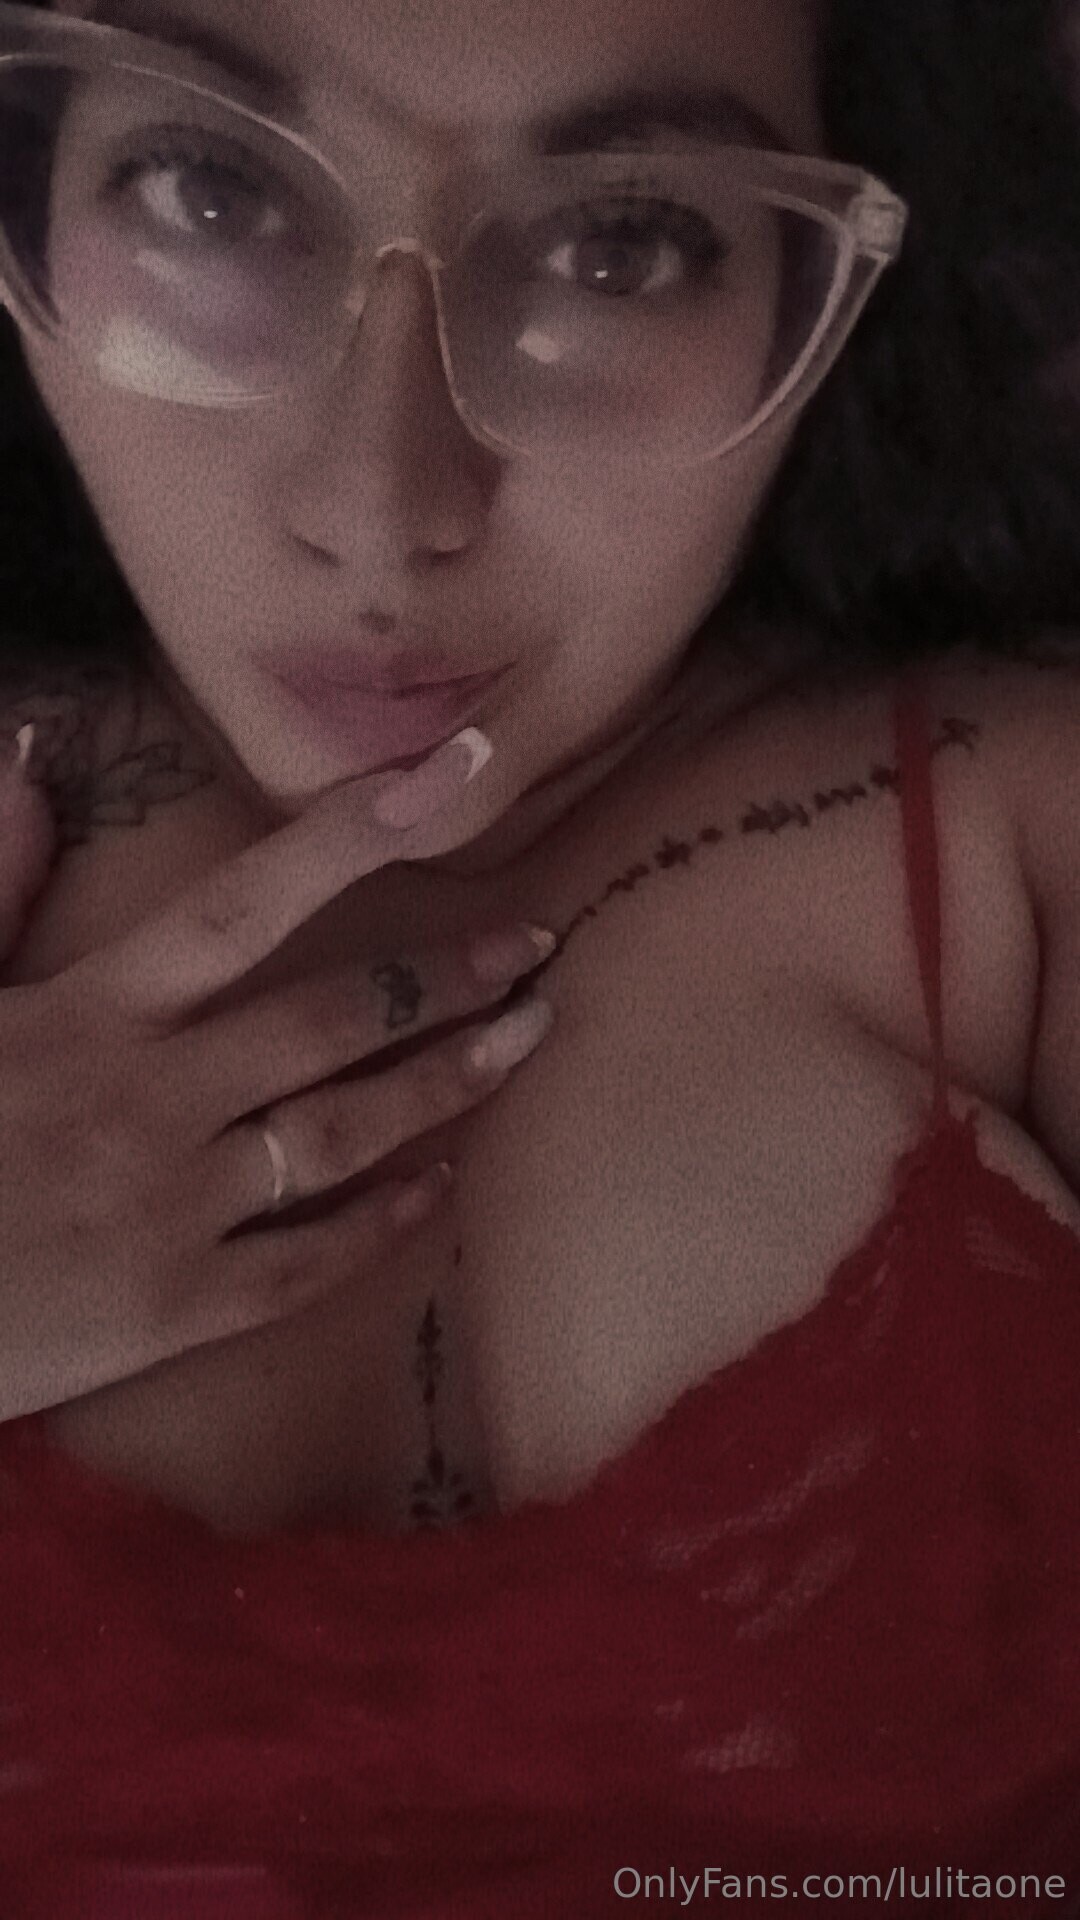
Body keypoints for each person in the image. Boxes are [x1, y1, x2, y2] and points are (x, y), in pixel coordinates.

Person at [0, 0, 1078, 1913]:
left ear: (846, 278)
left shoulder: (1022, 842)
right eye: (210, 189)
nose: (381, 506)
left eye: (620, 242)